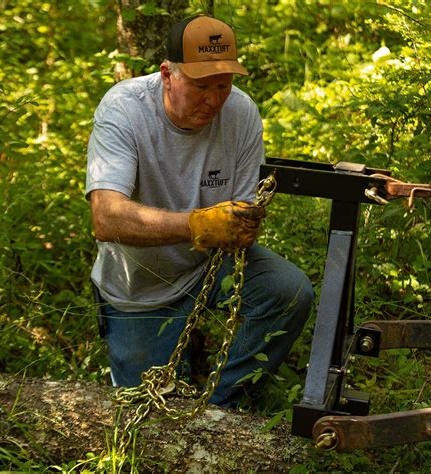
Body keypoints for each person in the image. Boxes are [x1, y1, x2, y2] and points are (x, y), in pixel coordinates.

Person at [85, 14, 314, 408]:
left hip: (209, 266)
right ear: (167, 74)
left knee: (288, 291)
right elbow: (106, 218)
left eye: (223, 85)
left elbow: (242, 219)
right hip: (139, 287)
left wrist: (239, 224)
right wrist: (196, 224)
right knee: (145, 411)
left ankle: (220, 409)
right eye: (201, 85)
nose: (213, 99)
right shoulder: (124, 110)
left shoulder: (241, 114)